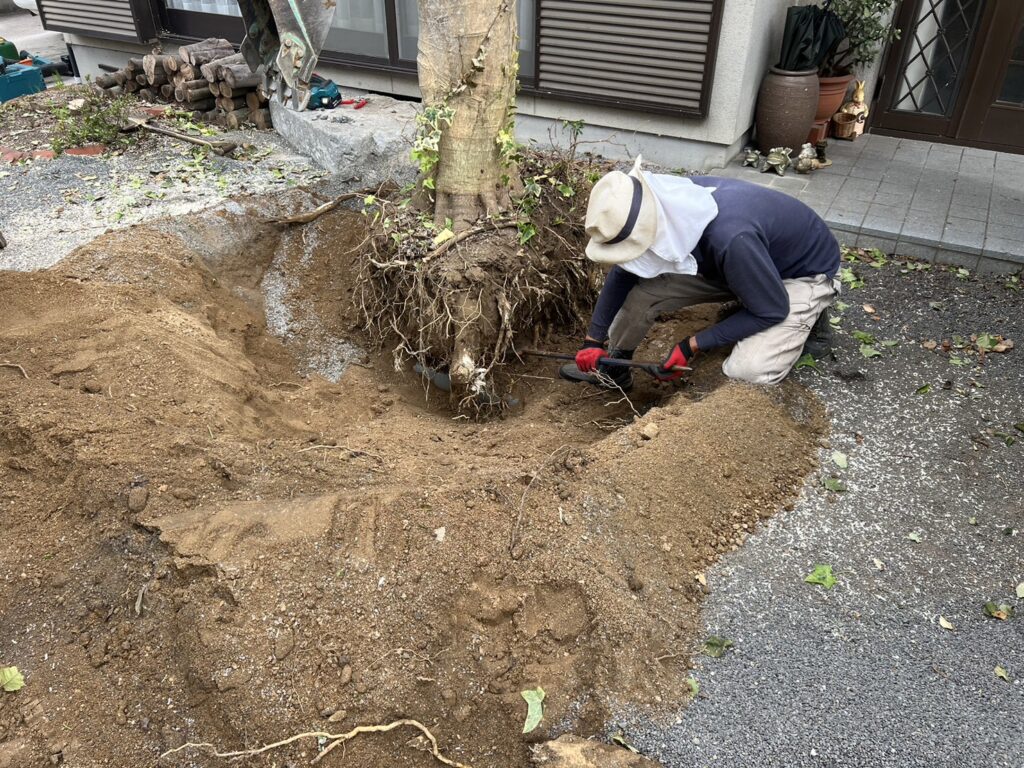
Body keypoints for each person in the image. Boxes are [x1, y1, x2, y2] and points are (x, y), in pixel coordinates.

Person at [560, 156, 841, 390]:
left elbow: (772, 309)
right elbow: (624, 273)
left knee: (749, 371)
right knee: (643, 294)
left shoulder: (730, 237)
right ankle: (615, 369)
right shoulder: (663, 205)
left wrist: (691, 345)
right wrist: (593, 341)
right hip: (734, 263)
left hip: (796, 274)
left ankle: (813, 320)